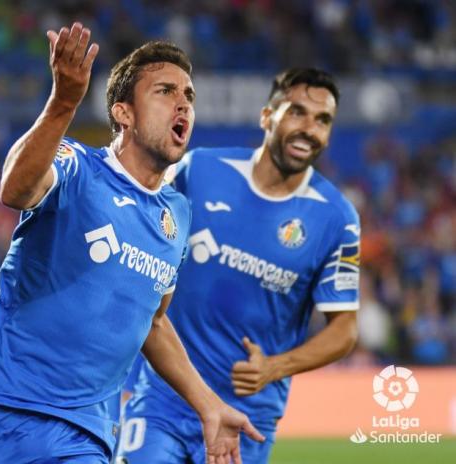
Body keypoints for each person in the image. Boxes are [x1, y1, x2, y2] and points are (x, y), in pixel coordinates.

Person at [0, 22, 262, 464]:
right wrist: (62, 103)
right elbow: (14, 190)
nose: (183, 103)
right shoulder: (76, 165)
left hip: (83, 438)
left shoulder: (176, 213)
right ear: (124, 113)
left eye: (189, 95)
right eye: (165, 91)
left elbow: (152, 321)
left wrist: (208, 404)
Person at [118, 68, 360, 464]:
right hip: (166, 397)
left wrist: (275, 367)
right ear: (267, 116)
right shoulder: (199, 170)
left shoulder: (338, 218)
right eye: (297, 112)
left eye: (323, 120)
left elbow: (345, 329)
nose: (309, 129)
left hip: (247, 419)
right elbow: (141, 230)